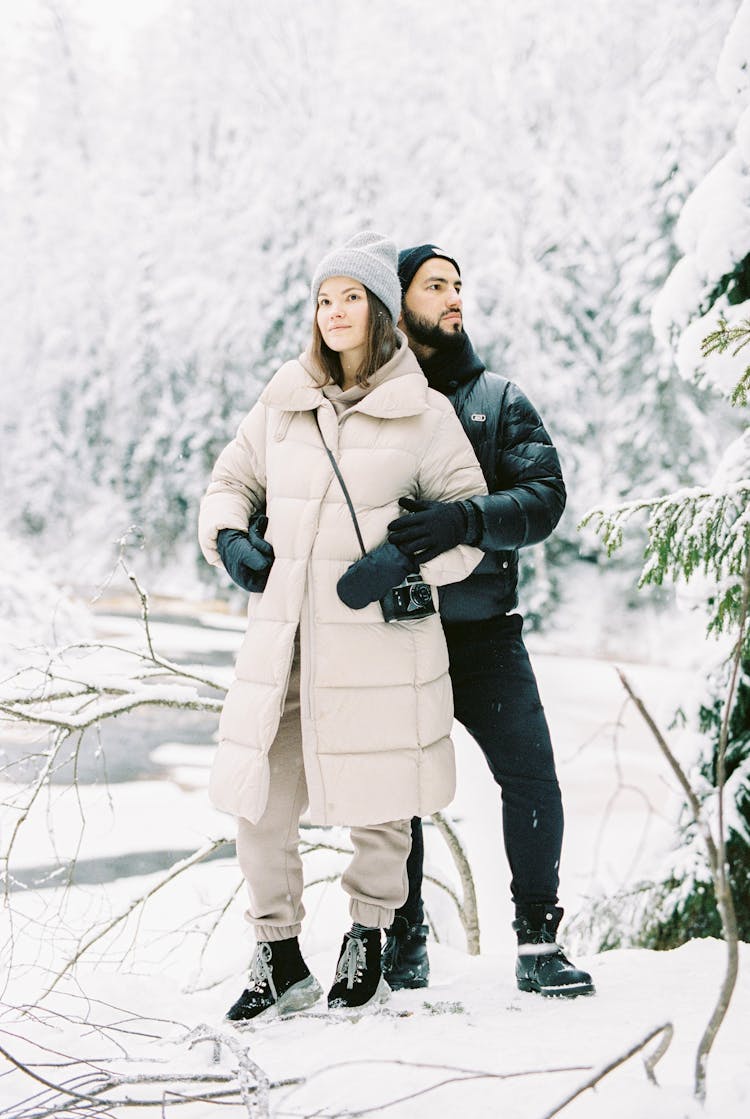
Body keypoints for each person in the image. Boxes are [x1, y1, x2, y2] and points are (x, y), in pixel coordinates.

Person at [198, 231, 487, 1019]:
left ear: (381, 314)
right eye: (324, 298)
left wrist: (405, 561)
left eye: (350, 297)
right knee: (256, 798)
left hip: (380, 643)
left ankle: (368, 934)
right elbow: (229, 480)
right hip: (284, 639)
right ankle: (279, 951)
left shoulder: (423, 414)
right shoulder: (282, 399)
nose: (333, 311)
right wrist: (230, 538)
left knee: (382, 796)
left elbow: (468, 528)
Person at [380, 244, 595, 999]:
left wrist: (466, 520)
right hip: (398, 630)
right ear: (398, 300)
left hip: (485, 632)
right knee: (393, 789)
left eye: (458, 286)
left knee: (532, 777)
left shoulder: (499, 399)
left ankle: (539, 943)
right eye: (434, 285)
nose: (453, 297)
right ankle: (401, 942)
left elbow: (545, 497)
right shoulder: (369, 401)